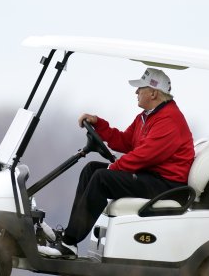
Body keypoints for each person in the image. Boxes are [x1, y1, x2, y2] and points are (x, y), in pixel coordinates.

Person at [38, 68, 195, 258]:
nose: (136, 92)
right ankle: (69, 236)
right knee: (92, 169)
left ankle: (69, 243)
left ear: (153, 93)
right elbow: (125, 141)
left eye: (140, 89)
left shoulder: (169, 119)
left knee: (102, 177)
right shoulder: (146, 117)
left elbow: (145, 156)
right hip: (151, 177)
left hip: (166, 185)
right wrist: (99, 124)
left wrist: (115, 167)